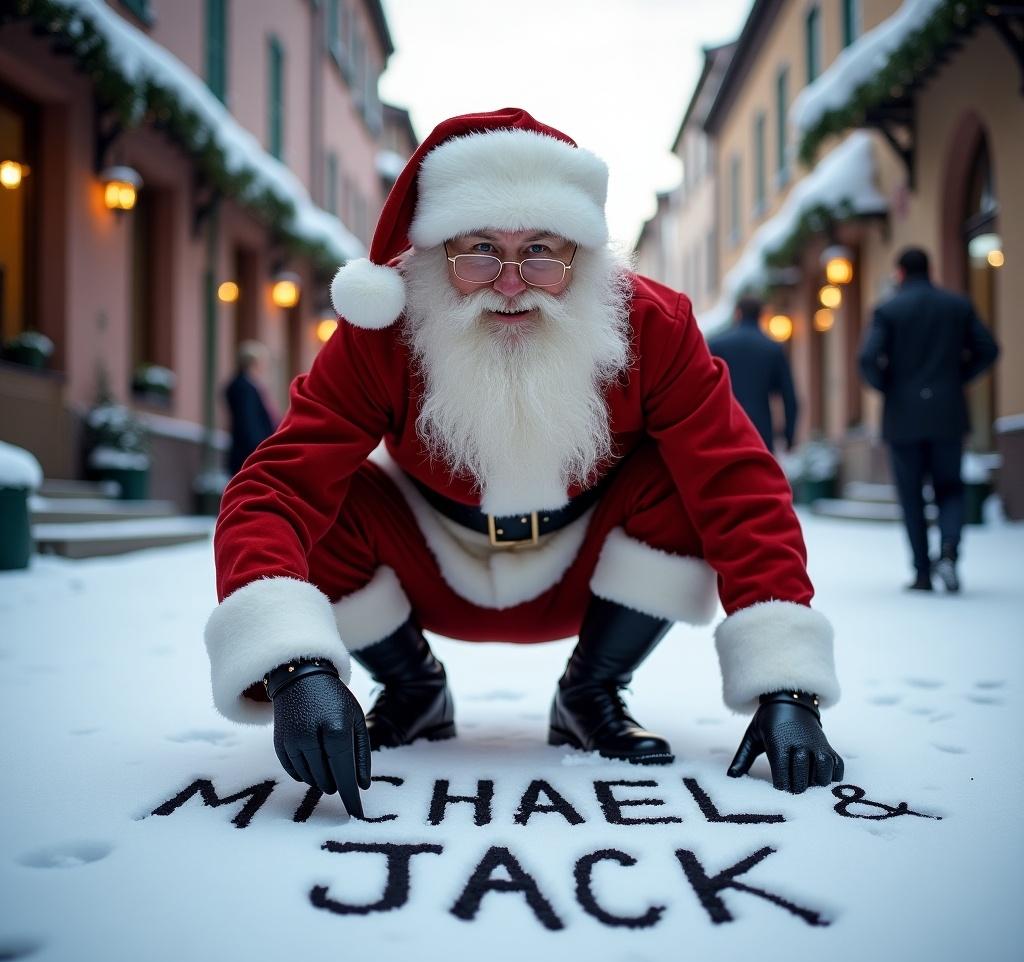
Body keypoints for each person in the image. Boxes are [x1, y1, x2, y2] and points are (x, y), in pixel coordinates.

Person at [204, 109, 843, 817]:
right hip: (427, 566)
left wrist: (789, 685)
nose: (512, 283)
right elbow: (275, 487)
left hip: (588, 571)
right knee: (331, 495)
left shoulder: (653, 325)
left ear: (583, 252)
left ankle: (591, 692)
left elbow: (737, 484)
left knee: (681, 478)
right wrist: (296, 665)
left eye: (541, 249)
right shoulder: (382, 334)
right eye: (478, 249)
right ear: (435, 255)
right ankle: (412, 689)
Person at [859, 247, 999, 593]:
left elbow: (866, 358)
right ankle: (949, 551)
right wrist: (957, 378)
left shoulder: (888, 309)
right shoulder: (957, 306)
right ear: (930, 269)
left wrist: (889, 387)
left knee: (911, 496)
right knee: (950, 488)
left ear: (900, 273)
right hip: (948, 414)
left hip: (903, 418)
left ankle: (923, 572)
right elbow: (988, 349)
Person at [708, 295, 799, 454]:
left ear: (737, 313)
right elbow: (789, 397)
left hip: (724, 429)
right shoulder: (773, 349)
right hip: (760, 431)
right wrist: (789, 436)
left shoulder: (717, 345)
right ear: (761, 315)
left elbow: (703, 389)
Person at [224, 340, 277, 475]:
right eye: (263, 362)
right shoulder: (244, 388)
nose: (265, 366)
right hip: (248, 455)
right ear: (254, 363)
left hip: (251, 453)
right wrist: (261, 450)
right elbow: (248, 423)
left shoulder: (250, 386)